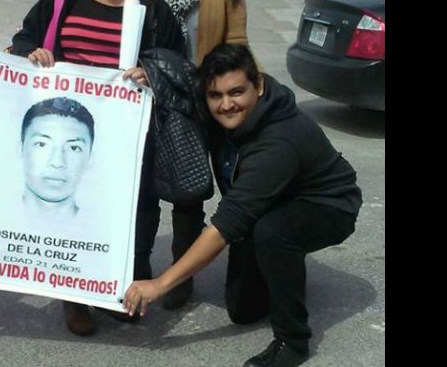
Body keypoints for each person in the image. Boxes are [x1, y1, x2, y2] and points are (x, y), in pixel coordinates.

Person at [123, 44, 362, 367]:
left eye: (236, 92)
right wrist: (151, 77)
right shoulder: (222, 112)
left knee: (272, 232)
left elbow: (225, 225)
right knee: (243, 311)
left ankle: (293, 342)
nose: (226, 105)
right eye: (216, 95)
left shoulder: (278, 142)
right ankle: (285, 270)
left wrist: (159, 284)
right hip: (269, 198)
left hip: (328, 206)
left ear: (258, 85)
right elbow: (184, 84)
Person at [11, 0, 187, 336]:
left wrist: (152, 72)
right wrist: (33, 52)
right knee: (77, 206)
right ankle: (73, 296)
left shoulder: (149, 5)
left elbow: (177, 59)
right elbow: (25, 36)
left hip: (130, 133)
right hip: (70, 126)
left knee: (134, 209)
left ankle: (121, 282)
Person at [125, 0, 250, 310]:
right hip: (145, 101)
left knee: (189, 196)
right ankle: (138, 270)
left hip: (197, 105)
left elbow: (238, 45)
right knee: (142, 194)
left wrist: (251, 94)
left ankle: (180, 277)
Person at [20, 97, 94, 223]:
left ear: (90, 158)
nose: (57, 162)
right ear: (20, 149)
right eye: (42, 144)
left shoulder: (107, 227)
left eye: (73, 148)